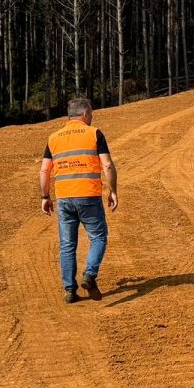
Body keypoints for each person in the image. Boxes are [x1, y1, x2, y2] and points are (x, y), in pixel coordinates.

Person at [39, 97, 118, 303]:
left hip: (64, 197)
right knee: (98, 237)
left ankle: (69, 290)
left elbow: (44, 170)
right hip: (89, 195)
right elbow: (107, 165)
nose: (91, 118)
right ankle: (89, 275)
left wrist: (45, 196)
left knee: (67, 245)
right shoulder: (94, 133)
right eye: (90, 114)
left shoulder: (53, 137)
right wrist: (113, 191)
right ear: (84, 115)